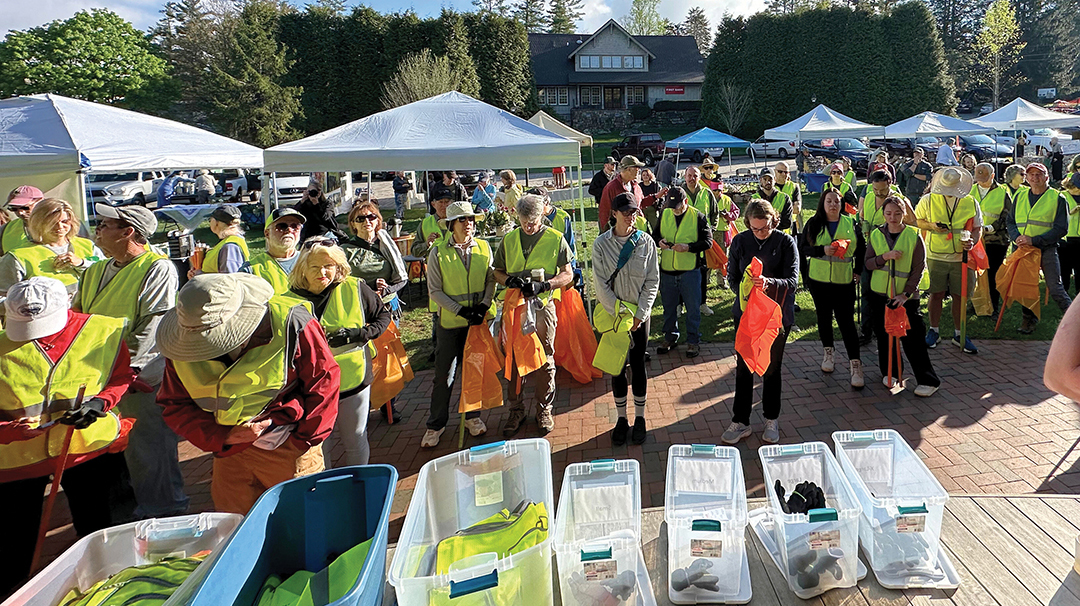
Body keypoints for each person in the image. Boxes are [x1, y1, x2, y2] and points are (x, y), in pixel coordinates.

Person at [0, 277, 138, 596]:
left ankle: (118, 592)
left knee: (107, 531)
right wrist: (10, 431)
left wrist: (100, 403)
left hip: (89, 449)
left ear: (68, 305)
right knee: (13, 548)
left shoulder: (103, 331)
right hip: (16, 461)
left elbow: (120, 376)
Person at [157, 273, 340, 514]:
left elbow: (323, 383)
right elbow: (174, 405)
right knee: (235, 526)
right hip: (230, 453)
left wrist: (303, 440)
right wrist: (222, 437)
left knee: (303, 523)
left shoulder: (291, 322)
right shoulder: (180, 344)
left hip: (288, 445)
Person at [73, 204, 187, 519]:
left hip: (139, 381)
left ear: (128, 232)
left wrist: (123, 375)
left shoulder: (157, 267)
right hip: (99, 380)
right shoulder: (95, 270)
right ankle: (127, 517)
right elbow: (77, 322)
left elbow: (152, 328)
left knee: (150, 455)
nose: (96, 228)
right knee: (112, 455)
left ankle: (165, 519)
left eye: (104, 224)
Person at [286, 239, 390, 467]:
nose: (322, 272)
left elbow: (383, 317)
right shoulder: (288, 298)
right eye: (314, 267)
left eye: (329, 266)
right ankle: (326, 486)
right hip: (312, 387)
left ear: (339, 267)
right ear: (302, 267)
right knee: (320, 444)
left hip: (353, 380)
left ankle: (358, 484)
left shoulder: (354, 287)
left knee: (355, 438)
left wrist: (360, 333)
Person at [494, 194, 575, 436]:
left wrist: (545, 286)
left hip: (543, 305)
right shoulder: (508, 240)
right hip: (515, 306)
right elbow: (496, 271)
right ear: (516, 216)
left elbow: (568, 274)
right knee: (514, 358)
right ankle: (516, 409)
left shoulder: (555, 238)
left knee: (545, 357)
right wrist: (508, 280)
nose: (529, 225)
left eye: (534, 220)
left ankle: (543, 409)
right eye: (524, 220)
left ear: (543, 215)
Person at [722, 199, 799, 445]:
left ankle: (771, 418)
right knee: (744, 367)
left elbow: (793, 281)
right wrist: (744, 290)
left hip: (775, 318)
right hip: (746, 317)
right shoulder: (740, 241)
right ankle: (741, 420)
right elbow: (732, 278)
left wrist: (769, 283)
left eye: (765, 227)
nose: (760, 233)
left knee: (772, 368)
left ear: (773, 221)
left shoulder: (785, 242)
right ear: (747, 224)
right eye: (755, 229)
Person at [423, 202, 496, 447]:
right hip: (451, 323)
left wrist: (484, 305)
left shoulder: (484, 247)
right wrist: (461, 310)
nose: (468, 224)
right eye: (463, 220)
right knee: (444, 375)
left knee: (474, 371)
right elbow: (434, 291)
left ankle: (472, 417)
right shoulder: (437, 252)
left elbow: (490, 279)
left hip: (478, 321)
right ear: (451, 224)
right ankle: (436, 424)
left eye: (471, 219)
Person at [592, 193, 659, 446]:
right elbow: (599, 285)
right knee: (617, 367)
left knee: (639, 365)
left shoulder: (646, 242)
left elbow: (652, 280)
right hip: (614, 316)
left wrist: (640, 314)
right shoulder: (600, 245)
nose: (631, 216)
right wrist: (621, 313)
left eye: (634, 211)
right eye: (626, 212)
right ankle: (621, 419)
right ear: (614, 214)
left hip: (640, 317)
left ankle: (640, 418)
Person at [865, 196, 941, 396]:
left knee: (912, 338)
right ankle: (890, 372)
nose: (893, 217)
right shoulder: (875, 234)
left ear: (904, 214)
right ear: (883, 214)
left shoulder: (913, 236)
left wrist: (905, 294)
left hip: (905, 298)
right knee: (883, 335)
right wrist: (884, 257)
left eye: (897, 213)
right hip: (880, 294)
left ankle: (928, 380)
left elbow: (919, 268)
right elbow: (868, 263)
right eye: (889, 213)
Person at [343, 201, 409, 422]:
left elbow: (401, 277)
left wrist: (388, 287)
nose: (367, 222)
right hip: (361, 313)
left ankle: (390, 404)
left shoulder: (386, 245)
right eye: (361, 219)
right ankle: (365, 404)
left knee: (388, 359)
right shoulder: (345, 250)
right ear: (353, 224)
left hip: (388, 310)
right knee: (369, 359)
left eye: (371, 217)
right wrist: (367, 289)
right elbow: (342, 281)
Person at [800, 189, 865, 388]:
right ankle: (828, 352)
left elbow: (861, 248)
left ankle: (855, 363)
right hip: (818, 280)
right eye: (829, 201)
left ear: (842, 204)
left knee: (846, 323)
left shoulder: (851, 223)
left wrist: (858, 270)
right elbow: (803, 248)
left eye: (836, 201)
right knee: (824, 318)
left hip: (843, 281)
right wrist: (822, 250)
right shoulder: (814, 223)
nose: (833, 205)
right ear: (823, 203)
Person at [916, 167, 981, 353]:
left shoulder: (970, 201)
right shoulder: (927, 200)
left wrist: (972, 242)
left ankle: (960, 333)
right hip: (936, 255)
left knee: (960, 296)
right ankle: (934, 331)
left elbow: (978, 227)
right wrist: (931, 226)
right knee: (936, 294)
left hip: (962, 256)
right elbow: (915, 220)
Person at [1008, 162, 1073, 333]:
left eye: (1039, 174)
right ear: (1026, 178)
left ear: (1047, 177)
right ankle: (1028, 320)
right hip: (1022, 249)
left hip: (1046, 248)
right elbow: (1011, 221)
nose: (1035, 178)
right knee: (1024, 286)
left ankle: (1074, 320)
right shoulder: (1020, 196)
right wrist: (1016, 238)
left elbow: (1061, 228)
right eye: (1031, 175)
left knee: (1055, 287)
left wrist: (1035, 240)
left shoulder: (1057, 198)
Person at [653, 188, 713, 358]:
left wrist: (689, 248)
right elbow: (655, 234)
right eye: (671, 207)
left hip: (690, 271)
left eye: (677, 207)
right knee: (669, 308)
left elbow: (708, 241)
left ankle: (693, 341)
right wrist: (660, 242)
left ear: (686, 202)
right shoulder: (664, 214)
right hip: (667, 270)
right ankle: (670, 337)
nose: (674, 210)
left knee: (693, 309)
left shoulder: (698, 217)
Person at [0, 198, 100, 297]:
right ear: (38, 223)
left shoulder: (87, 245)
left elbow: (106, 275)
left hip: (90, 311)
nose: (60, 227)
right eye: (52, 223)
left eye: (64, 221)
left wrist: (81, 263)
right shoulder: (18, 256)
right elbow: (5, 297)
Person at [971, 163, 1012, 317]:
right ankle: (976, 303)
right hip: (976, 240)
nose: (981, 182)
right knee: (975, 274)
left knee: (993, 274)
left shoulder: (1003, 192)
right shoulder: (971, 190)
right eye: (979, 178)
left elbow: (1007, 215)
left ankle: (993, 306)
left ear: (993, 176)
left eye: (985, 178)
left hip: (996, 240)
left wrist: (990, 228)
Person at [681, 165, 719, 316]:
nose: (692, 179)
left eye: (695, 176)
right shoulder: (679, 193)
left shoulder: (706, 193)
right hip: (683, 241)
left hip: (701, 243)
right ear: (685, 177)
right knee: (682, 275)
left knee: (702, 275)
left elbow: (714, 214)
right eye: (689, 175)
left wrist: (711, 231)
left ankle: (702, 304)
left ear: (699, 177)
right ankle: (679, 305)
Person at [244, 207, 306, 295]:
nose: (289, 230)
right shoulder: (251, 269)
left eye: (294, 226)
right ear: (267, 233)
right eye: (281, 227)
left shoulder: (310, 261)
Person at [601, 155, 664, 232]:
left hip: (637, 229)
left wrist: (656, 196)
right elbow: (604, 212)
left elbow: (640, 203)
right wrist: (607, 233)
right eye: (637, 168)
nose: (639, 170)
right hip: (620, 232)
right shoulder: (611, 187)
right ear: (628, 169)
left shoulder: (635, 185)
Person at [196, 204, 248, 276]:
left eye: (210, 220)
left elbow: (230, 279)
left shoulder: (230, 247)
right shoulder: (228, 241)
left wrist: (200, 275)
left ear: (216, 223)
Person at [0, 185, 43, 254]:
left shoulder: (59, 225)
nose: (20, 212)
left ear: (41, 203)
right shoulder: (5, 229)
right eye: (14, 208)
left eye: (25, 208)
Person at [1060, 174, 1080, 295]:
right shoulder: (1063, 196)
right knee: (1064, 270)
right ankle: (1063, 295)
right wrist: (1071, 212)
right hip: (1065, 238)